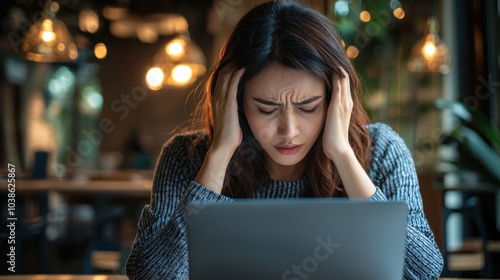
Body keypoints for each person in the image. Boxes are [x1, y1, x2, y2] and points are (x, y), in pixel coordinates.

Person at [125, 1, 444, 279]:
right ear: (234, 101)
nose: (288, 130)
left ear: (336, 99)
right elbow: (152, 276)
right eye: (266, 109)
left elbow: (424, 271)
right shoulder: (186, 157)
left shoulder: (382, 150)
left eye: (309, 108)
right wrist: (220, 153)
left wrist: (343, 155)